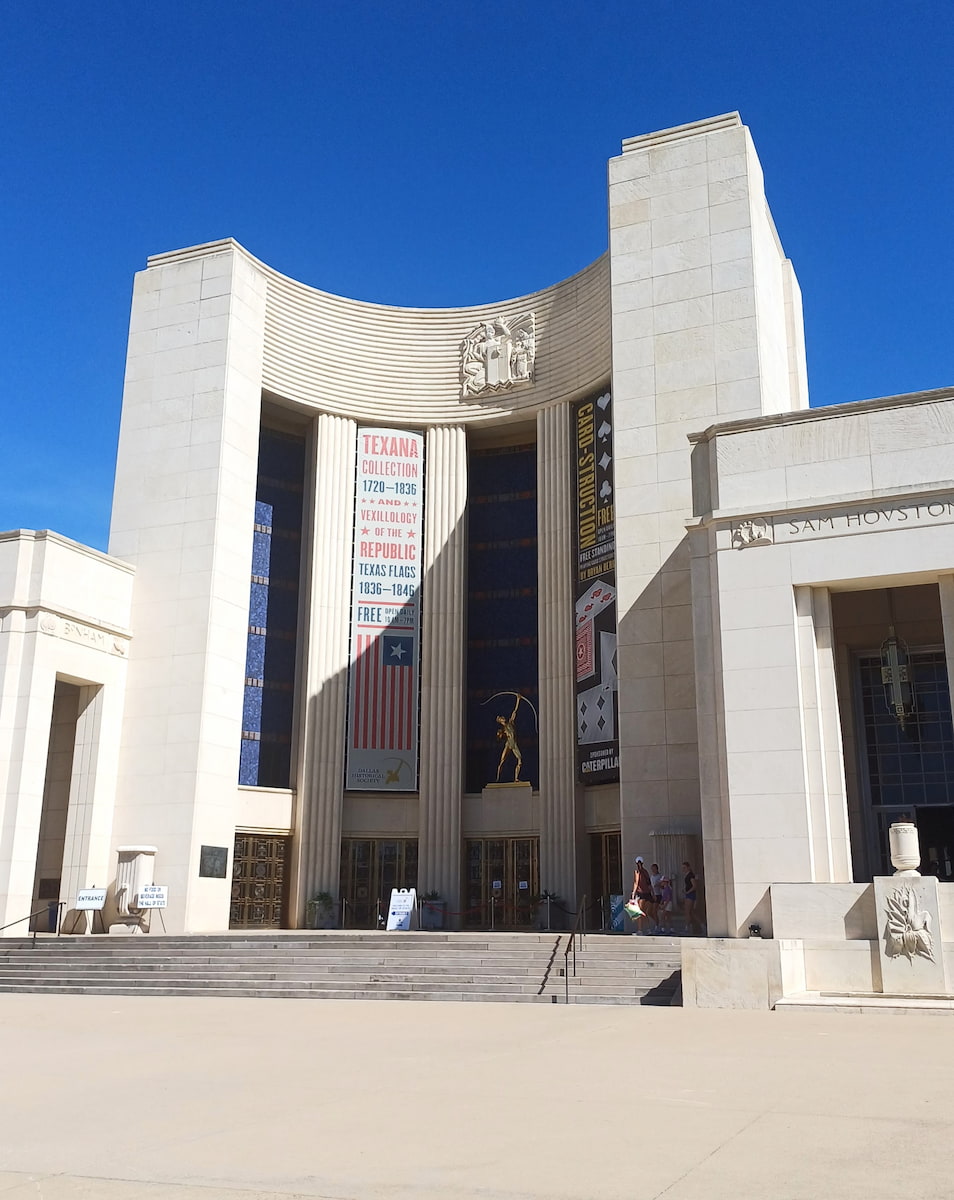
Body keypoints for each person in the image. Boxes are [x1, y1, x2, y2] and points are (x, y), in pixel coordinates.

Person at [495, 697, 524, 782]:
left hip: (514, 744)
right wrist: (501, 735)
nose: (503, 718)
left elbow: (514, 711)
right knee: (502, 761)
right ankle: (497, 778)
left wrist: (518, 700)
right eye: (501, 718)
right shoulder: (502, 730)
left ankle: (516, 778)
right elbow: (499, 738)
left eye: (502, 717)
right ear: (500, 721)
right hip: (508, 744)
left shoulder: (511, 722)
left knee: (520, 760)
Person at [630, 856, 658, 935]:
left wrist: (633, 893)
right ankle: (648, 929)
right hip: (648, 894)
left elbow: (636, 882)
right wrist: (653, 894)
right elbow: (649, 884)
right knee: (644, 912)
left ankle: (640, 930)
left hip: (641, 894)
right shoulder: (646, 872)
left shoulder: (637, 872)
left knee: (639, 912)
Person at [682, 860, 702, 935]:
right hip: (689, 894)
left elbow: (694, 886)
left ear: (688, 867)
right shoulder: (687, 875)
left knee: (687, 911)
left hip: (690, 895)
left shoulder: (690, 875)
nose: (683, 869)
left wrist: (688, 892)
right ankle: (700, 925)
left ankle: (687, 928)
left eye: (684, 867)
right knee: (691, 912)